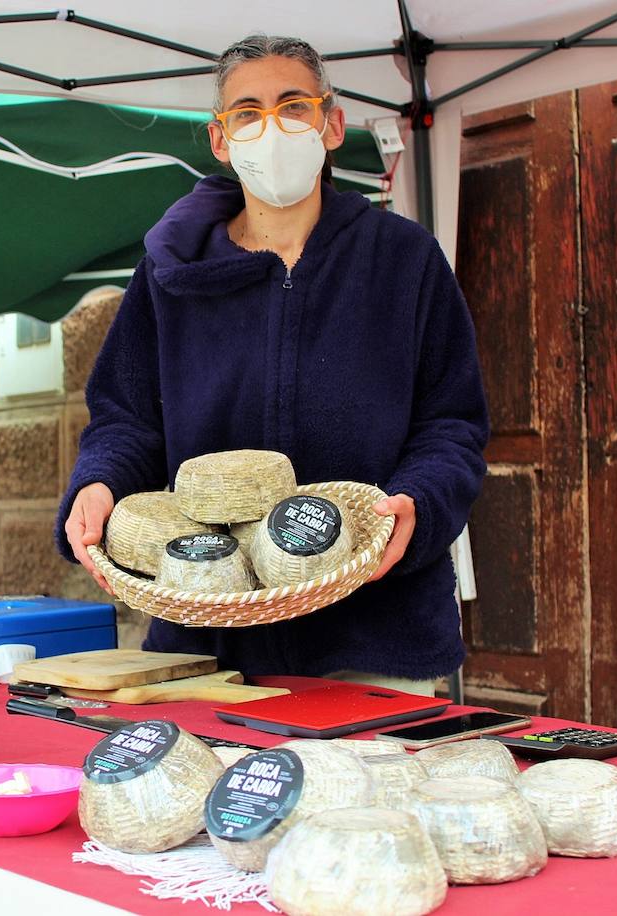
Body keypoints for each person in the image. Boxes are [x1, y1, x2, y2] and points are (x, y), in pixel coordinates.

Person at [57, 35, 490, 695]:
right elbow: (126, 417)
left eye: (294, 106)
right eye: (248, 113)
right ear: (221, 139)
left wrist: (420, 505)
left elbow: (451, 423)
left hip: (375, 637)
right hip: (206, 642)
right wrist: (98, 484)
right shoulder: (171, 275)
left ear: (332, 124)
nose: (273, 129)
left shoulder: (404, 258)